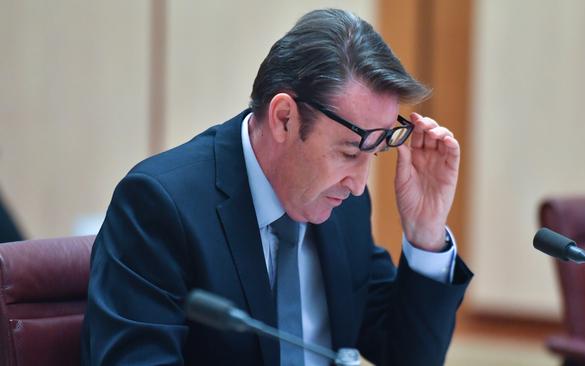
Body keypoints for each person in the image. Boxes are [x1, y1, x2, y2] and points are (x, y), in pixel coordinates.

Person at [82, 8, 472, 366]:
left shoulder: (343, 205)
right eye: (351, 151)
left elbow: (407, 357)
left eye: (375, 154)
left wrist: (426, 232)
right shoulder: (161, 206)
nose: (358, 184)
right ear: (284, 118)